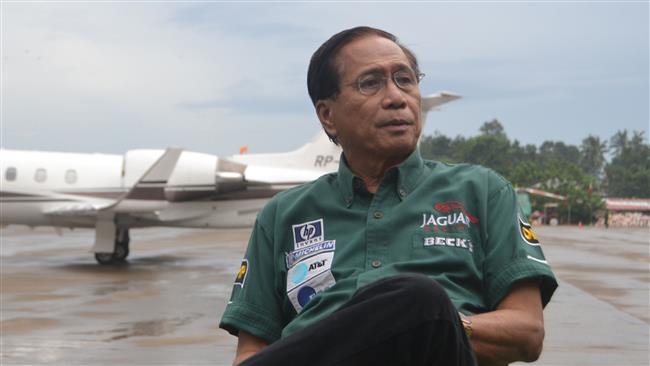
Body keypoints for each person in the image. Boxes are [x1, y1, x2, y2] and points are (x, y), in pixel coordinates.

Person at [219, 26, 558, 366]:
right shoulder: (282, 215)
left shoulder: (482, 191)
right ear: (327, 115)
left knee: (421, 299)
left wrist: (440, 325)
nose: (397, 97)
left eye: (405, 80)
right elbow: (250, 354)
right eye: (371, 82)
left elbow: (527, 333)